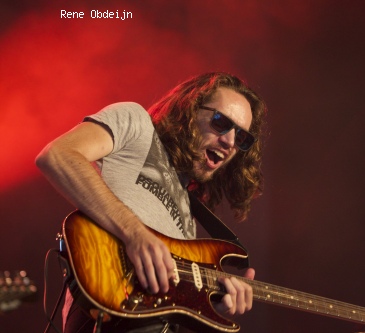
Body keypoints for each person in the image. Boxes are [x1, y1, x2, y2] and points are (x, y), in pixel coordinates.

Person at [35, 72, 267, 333]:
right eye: (220, 122)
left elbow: (168, 304)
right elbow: (58, 155)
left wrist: (212, 306)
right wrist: (135, 233)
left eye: (242, 138)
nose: (230, 141)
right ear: (189, 109)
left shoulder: (189, 220)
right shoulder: (136, 122)